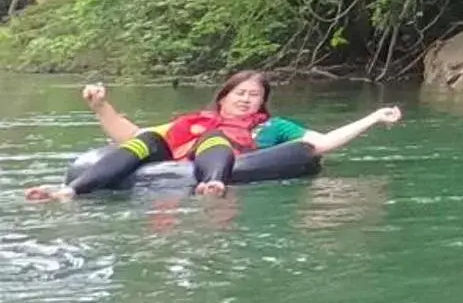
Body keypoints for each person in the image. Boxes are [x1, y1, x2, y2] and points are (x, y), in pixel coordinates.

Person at [24, 73, 402, 201]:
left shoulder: (275, 127)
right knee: (149, 143)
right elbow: (131, 136)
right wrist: (101, 106)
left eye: (254, 95)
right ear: (223, 96)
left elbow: (319, 144)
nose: (246, 99)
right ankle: (70, 192)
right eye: (239, 93)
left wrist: (373, 117)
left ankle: (214, 183)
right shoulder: (195, 121)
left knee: (214, 140)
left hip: (226, 164)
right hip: (178, 163)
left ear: (262, 103)